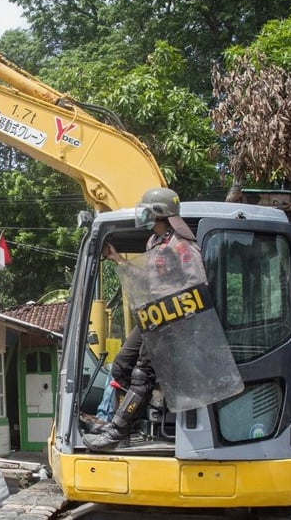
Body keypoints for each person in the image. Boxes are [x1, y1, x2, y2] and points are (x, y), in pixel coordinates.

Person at [83, 187, 204, 450]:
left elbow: (196, 285)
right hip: (151, 315)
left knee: (141, 374)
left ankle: (117, 431)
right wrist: (117, 260)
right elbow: (146, 281)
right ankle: (144, 409)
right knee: (121, 367)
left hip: (169, 318)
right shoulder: (153, 243)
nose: (145, 215)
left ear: (161, 213)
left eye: (149, 211)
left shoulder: (182, 245)